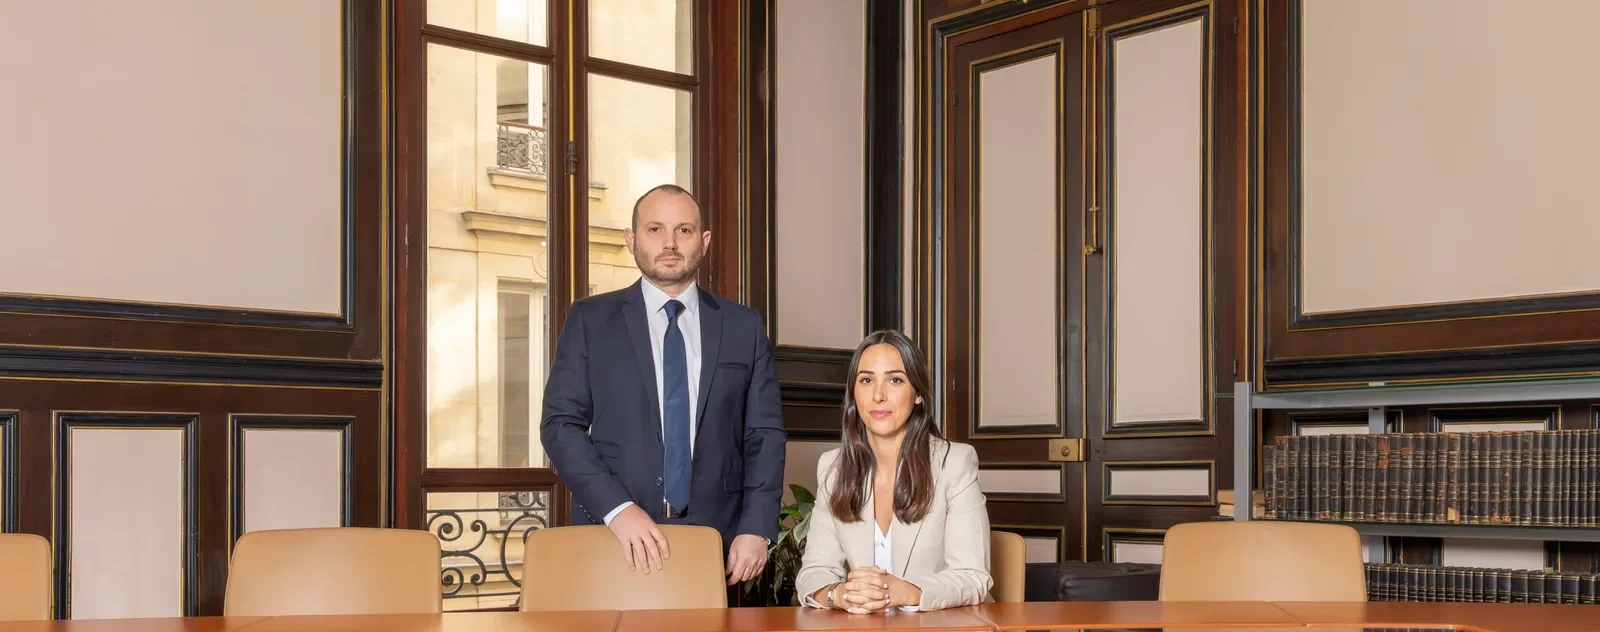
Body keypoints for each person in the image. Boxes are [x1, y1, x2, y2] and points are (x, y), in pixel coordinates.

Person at [540, 184, 786, 587]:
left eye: (684, 231)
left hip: (720, 540)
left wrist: (757, 527)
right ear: (631, 239)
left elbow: (764, 434)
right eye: (655, 229)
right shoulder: (589, 320)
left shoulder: (744, 326)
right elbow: (559, 425)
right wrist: (618, 509)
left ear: (703, 242)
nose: (670, 243)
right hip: (614, 535)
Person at [794, 329, 992, 613]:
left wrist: (905, 592)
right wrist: (841, 595)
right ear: (853, 393)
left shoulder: (955, 463)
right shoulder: (833, 468)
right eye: (866, 380)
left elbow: (973, 577)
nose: (878, 395)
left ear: (918, 394)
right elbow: (814, 571)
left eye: (895, 380)